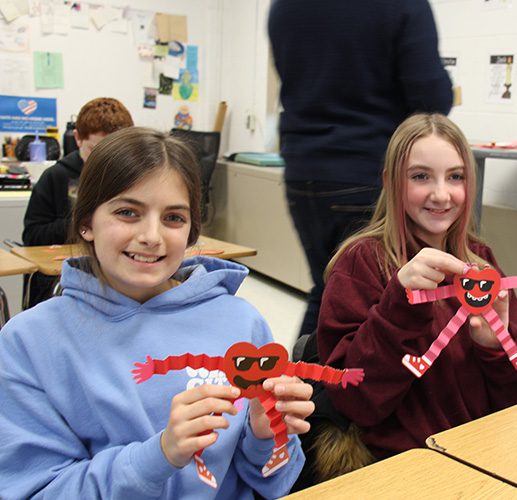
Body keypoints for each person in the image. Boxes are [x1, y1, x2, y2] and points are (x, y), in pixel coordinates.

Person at [0, 127, 312, 498]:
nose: (152, 236)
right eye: (128, 212)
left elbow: (274, 480)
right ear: (86, 222)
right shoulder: (28, 344)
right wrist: (159, 455)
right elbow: (36, 490)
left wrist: (266, 434)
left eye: (173, 218)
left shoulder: (242, 322)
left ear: (192, 230)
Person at [316, 114, 517, 461]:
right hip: (405, 463)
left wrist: (497, 346)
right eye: (421, 176)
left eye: (455, 177)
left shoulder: (480, 260)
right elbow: (356, 403)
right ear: (391, 182)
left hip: (481, 453)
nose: (441, 194)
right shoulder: (361, 263)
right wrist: (400, 307)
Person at [267, 0, 454, 341]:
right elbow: (431, 98)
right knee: (379, 297)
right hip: (367, 171)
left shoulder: (284, 6)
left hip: (302, 169)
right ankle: (336, 387)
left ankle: (303, 383)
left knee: (328, 287)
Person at [22, 97, 134, 308]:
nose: (105, 161)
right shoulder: (55, 177)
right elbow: (33, 236)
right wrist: (85, 220)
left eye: (114, 151)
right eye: (95, 150)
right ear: (78, 138)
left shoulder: (131, 180)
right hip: (64, 281)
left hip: (118, 278)